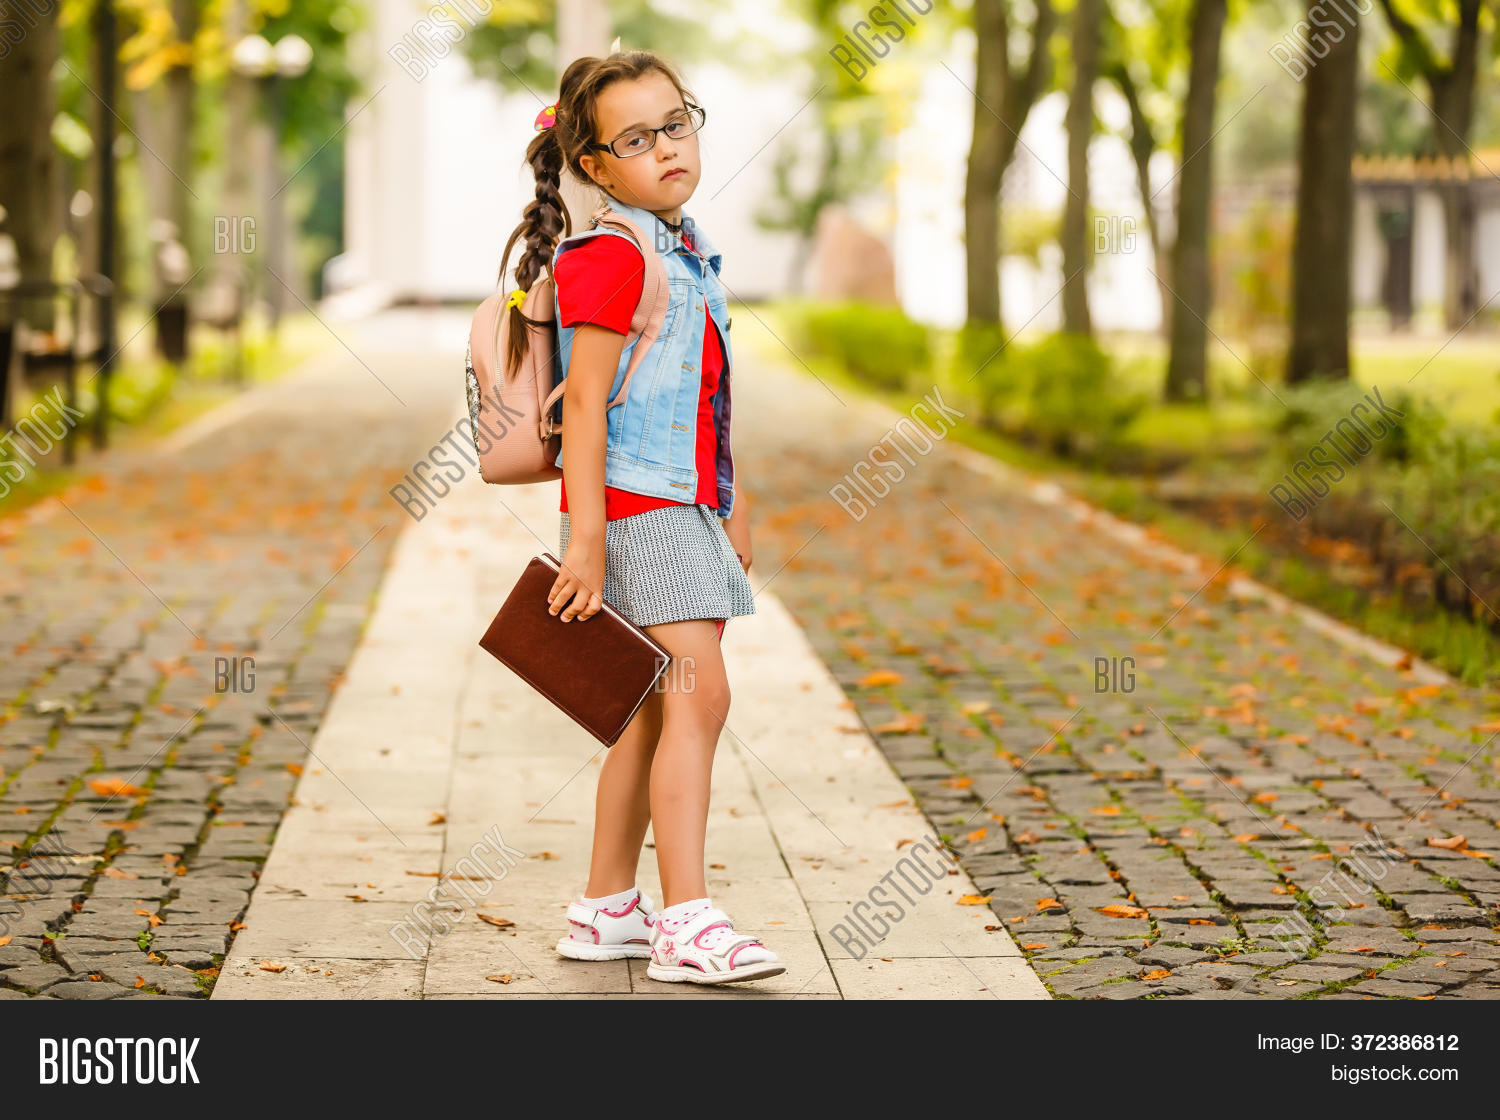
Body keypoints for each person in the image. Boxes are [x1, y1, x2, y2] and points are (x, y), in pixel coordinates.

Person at [496, 50, 781, 985]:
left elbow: (702, 396)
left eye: (676, 123)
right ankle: (687, 921)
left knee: (650, 711)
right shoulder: (614, 255)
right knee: (700, 693)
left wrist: (731, 505)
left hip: (675, 501)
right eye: (635, 139)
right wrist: (584, 542)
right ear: (594, 166)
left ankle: (607, 906)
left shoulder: (681, 247)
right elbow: (584, 405)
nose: (666, 147)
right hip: (632, 507)